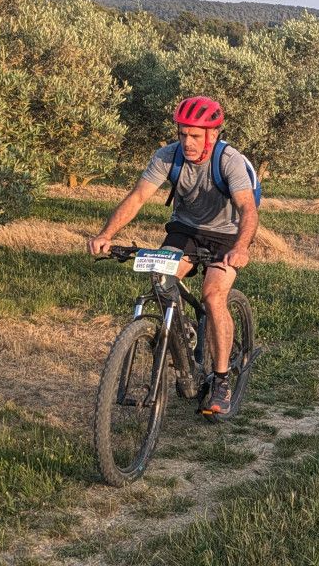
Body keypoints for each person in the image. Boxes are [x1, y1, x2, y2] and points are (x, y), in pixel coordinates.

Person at [88, 96, 257, 416]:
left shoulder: (229, 161)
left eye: (195, 135)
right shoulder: (168, 156)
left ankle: (221, 381)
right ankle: (185, 332)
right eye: (182, 134)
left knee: (213, 295)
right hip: (185, 229)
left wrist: (241, 247)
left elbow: (248, 208)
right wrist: (106, 235)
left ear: (213, 135)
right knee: (161, 278)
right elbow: (137, 197)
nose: (187, 142)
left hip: (226, 235)